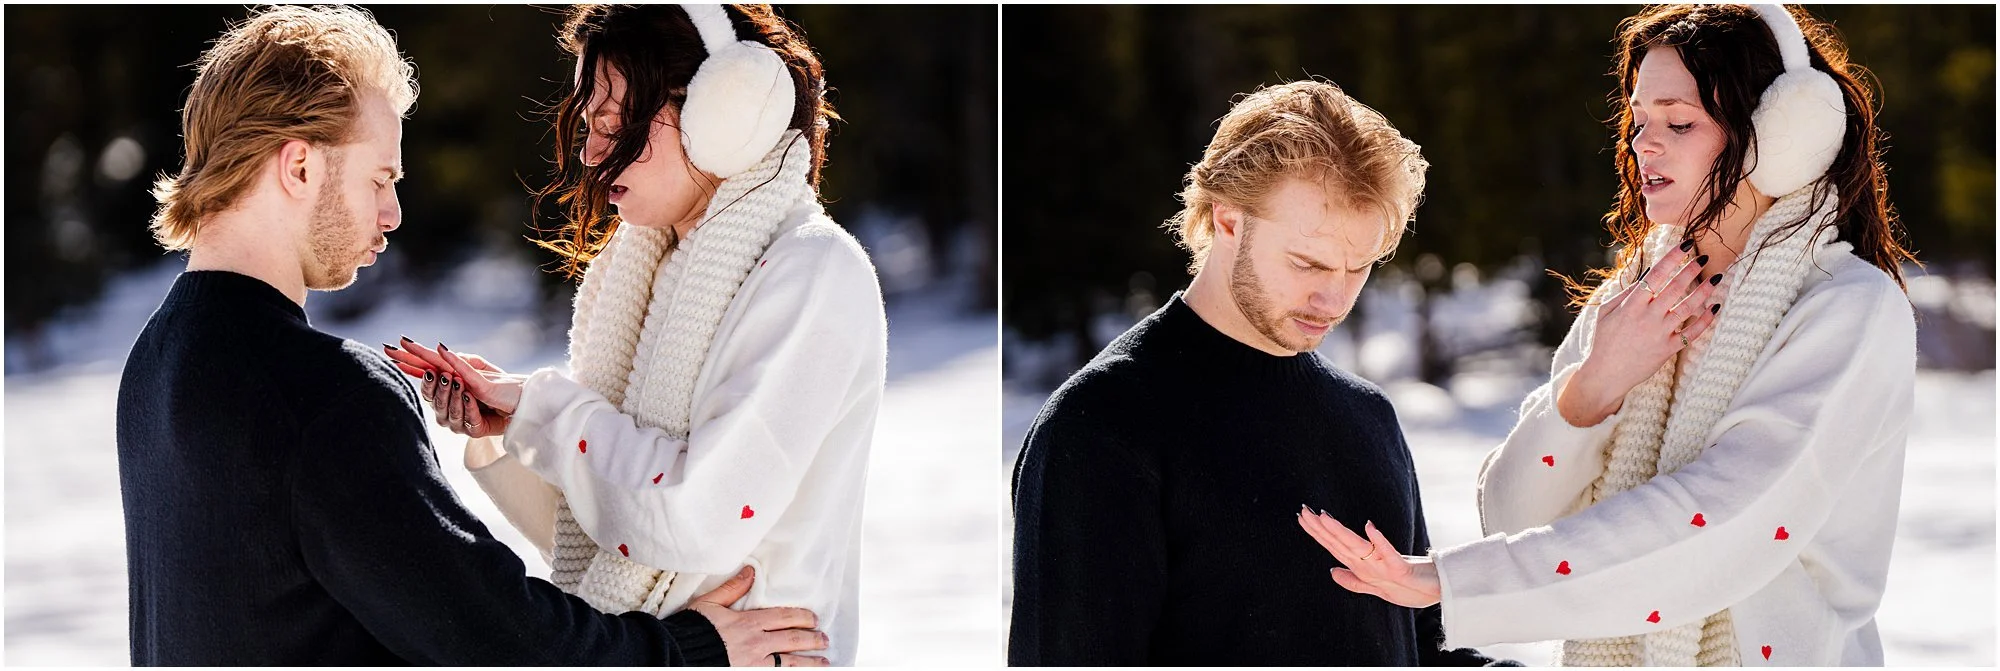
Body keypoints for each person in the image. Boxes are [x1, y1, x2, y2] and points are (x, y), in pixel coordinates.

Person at [115, 4, 832, 665]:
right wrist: (685, 650)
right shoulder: (325, 398)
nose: (392, 214)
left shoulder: (153, 366)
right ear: (299, 165)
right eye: (380, 179)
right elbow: (496, 638)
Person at [1299, 4, 1918, 666]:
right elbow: (1511, 515)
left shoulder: (1849, 310)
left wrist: (1452, 580)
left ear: (1782, 133)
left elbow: (1726, 520)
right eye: (1640, 119)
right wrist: (1595, 385)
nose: (1644, 143)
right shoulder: (1635, 301)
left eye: (1679, 122)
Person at [384, 4, 885, 666]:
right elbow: (609, 544)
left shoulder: (814, 271)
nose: (592, 153)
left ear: (722, 111)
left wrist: (543, 410)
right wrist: (508, 430)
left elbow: (690, 519)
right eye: (587, 124)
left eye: (614, 121)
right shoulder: (641, 276)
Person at [1009, 79, 1512, 666]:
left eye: (1359, 267)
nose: (1333, 299)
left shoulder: (1366, 416)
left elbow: (1420, 649)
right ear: (1227, 220)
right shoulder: (1103, 425)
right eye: (1308, 263)